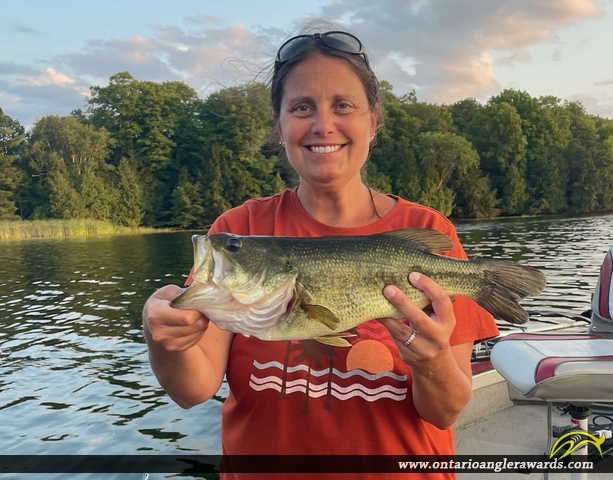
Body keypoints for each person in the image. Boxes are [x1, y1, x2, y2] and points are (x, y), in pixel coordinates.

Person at [142, 21, 499, 480]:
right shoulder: (238, 231)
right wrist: (162, 339)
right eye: (302, 107)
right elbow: (192, 389)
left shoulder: (425, 229)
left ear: (374, 122)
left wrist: (431, 364)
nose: (322, 124)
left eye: (343, 105)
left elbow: (445, 412)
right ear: (280, 125)